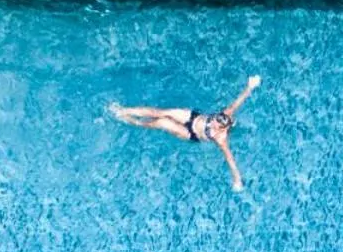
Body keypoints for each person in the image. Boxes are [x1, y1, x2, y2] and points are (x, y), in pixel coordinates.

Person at [111, 75, 262, 191]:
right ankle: (123, 110)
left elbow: (230, 159)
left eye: (218, 123)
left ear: (223, 128)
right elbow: (239, 101)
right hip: (193, 117)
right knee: (162, 113)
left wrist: (237, 180)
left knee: (161, 122)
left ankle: (134, 121)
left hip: (190, 133)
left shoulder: (221, 138)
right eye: (217, 117)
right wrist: (251, 86)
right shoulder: (226, 114)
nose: (215, 120)